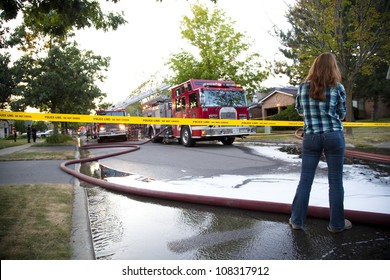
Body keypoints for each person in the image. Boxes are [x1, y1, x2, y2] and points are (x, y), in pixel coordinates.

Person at [289, 52, 352, 233]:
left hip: (311, 137)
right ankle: (337, 225)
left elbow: (300, 110)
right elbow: (341, 114)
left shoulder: (302, 87)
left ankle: (297, 221)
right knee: (335, 181)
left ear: (314, 67)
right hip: (334, 136)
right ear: (333, 68)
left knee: (305, 180)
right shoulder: (338, 88)